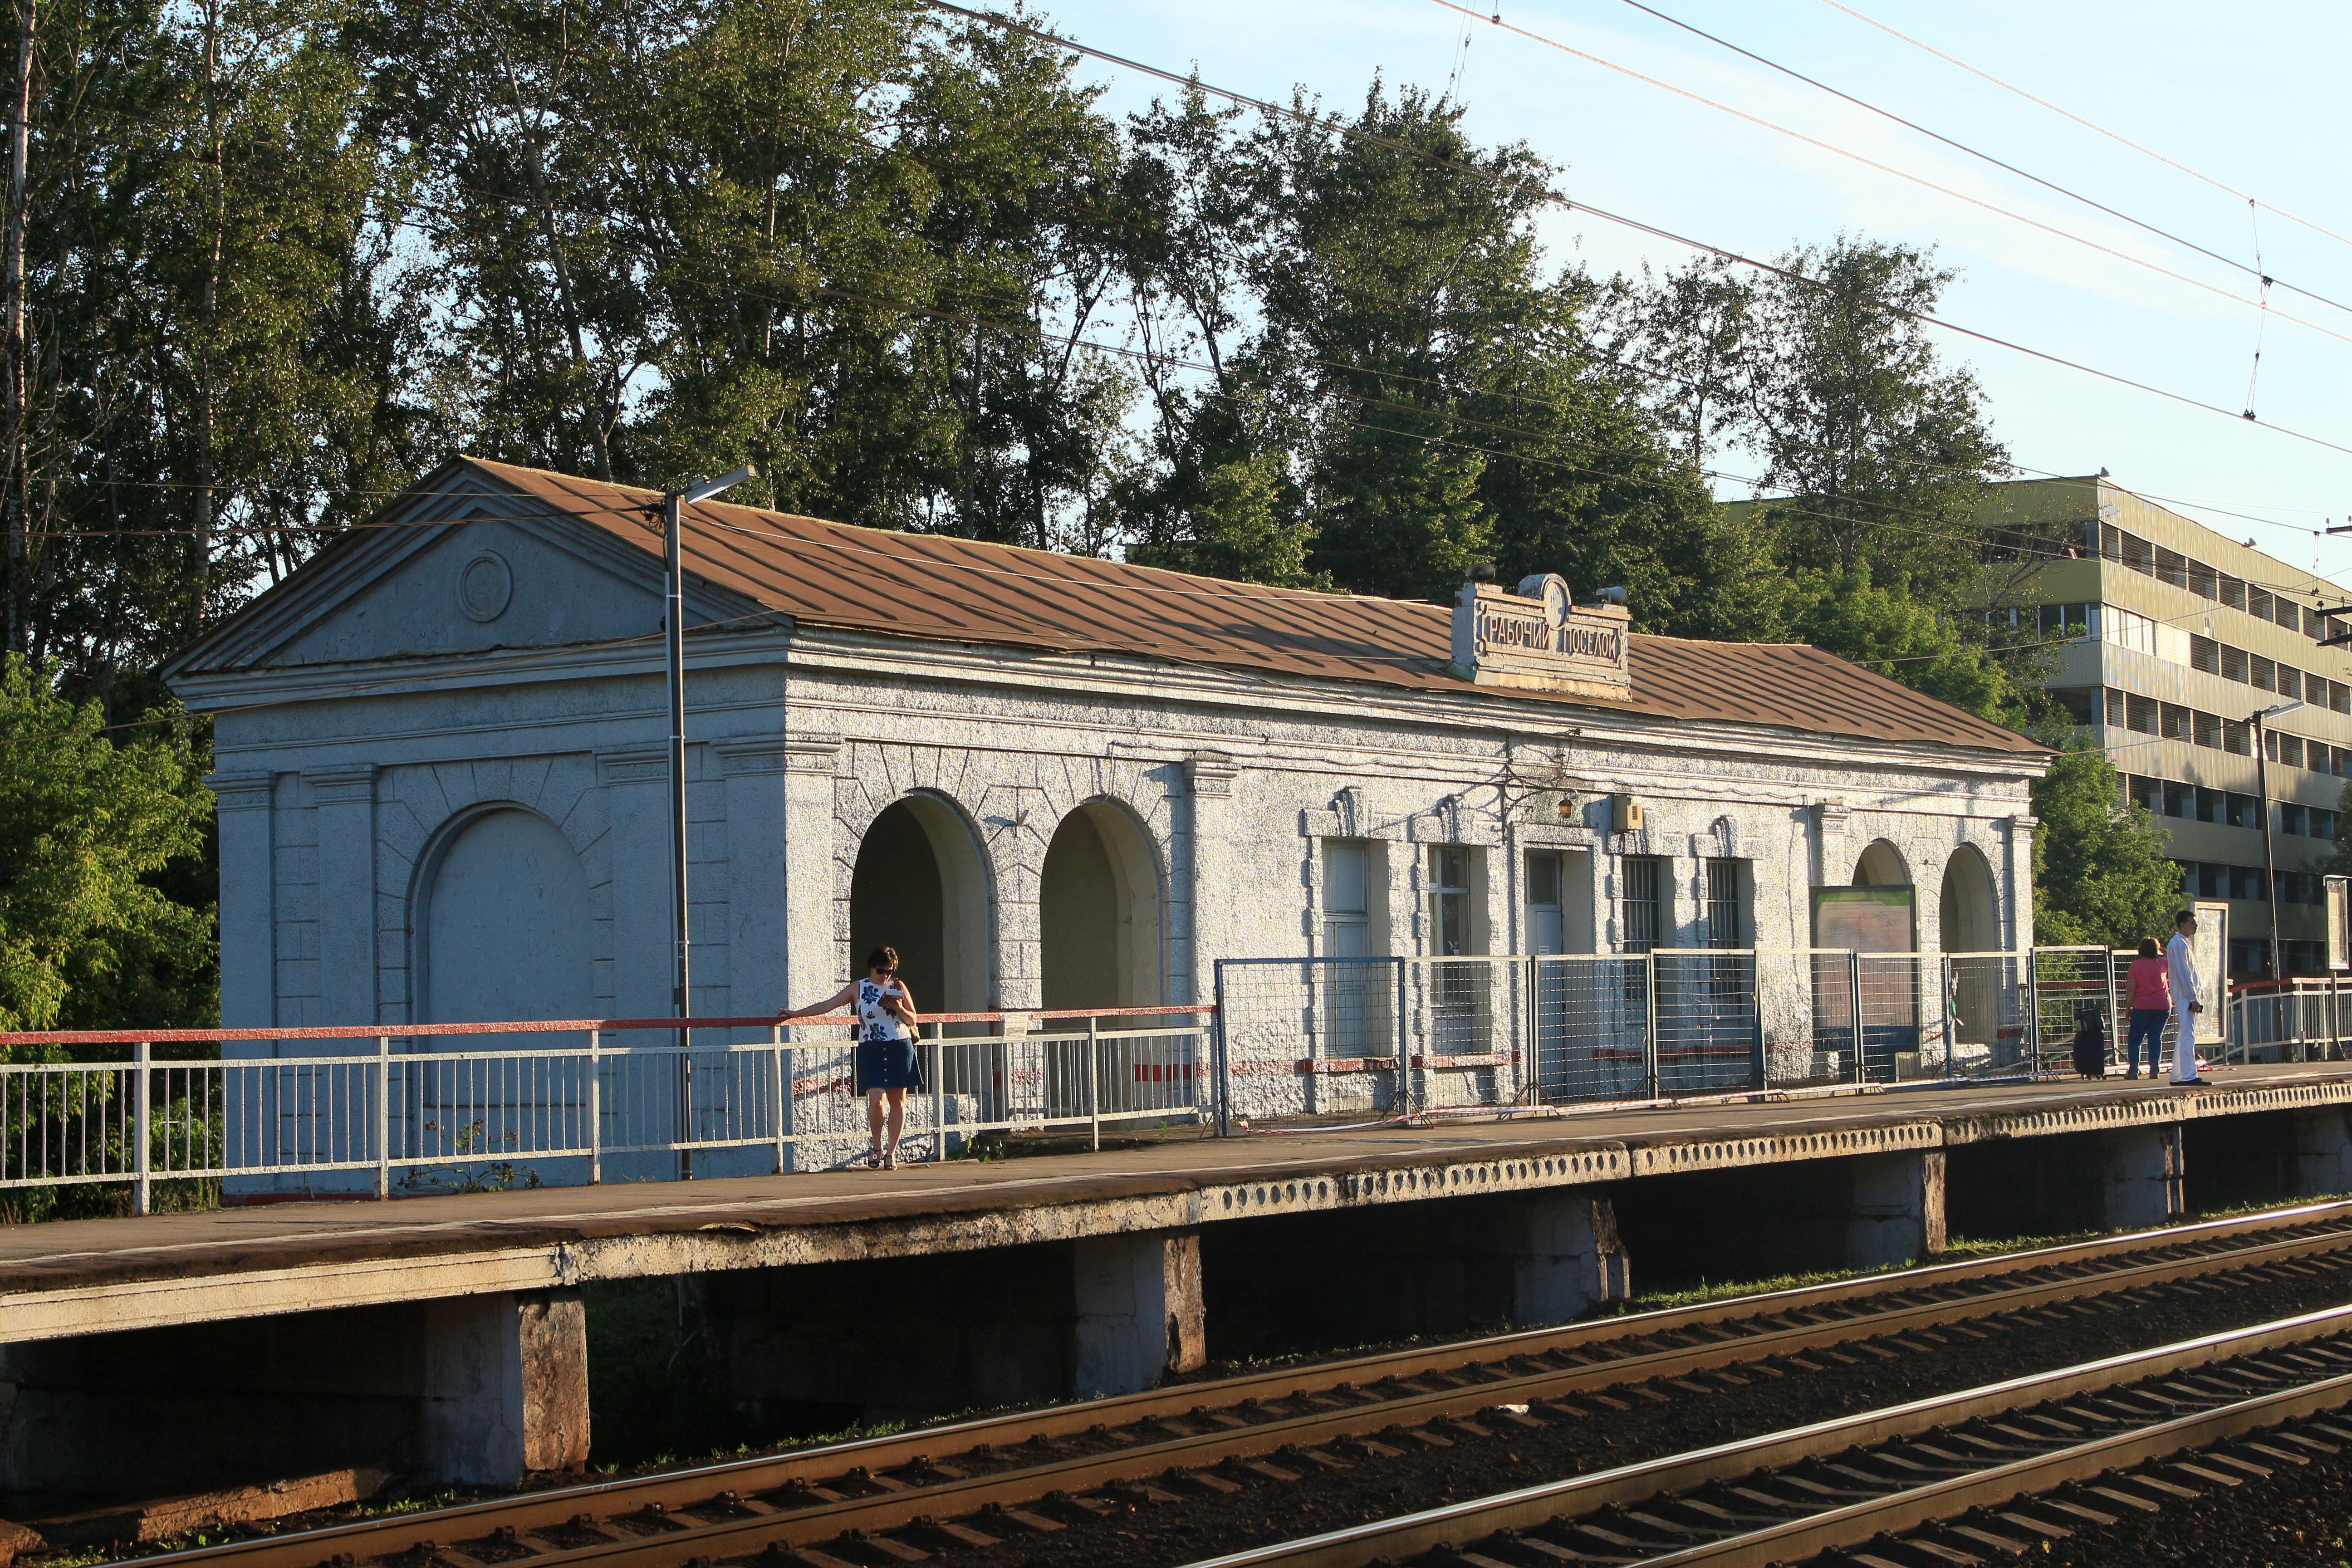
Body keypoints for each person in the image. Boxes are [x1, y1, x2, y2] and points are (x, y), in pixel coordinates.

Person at [780, 946, 923, 1168]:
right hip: (871, 1048)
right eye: (881, 970)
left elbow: (912, 1018)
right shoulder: (859, 988)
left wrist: (898, 1008)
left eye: (890, 971)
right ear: (871, 968)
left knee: (898, 1102)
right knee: (876, 1100)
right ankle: (877, 1145)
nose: (886, 975)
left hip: (899, 1046)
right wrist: (796, 1014)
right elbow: (828, 1005)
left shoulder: (898, 987)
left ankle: (891, 1153)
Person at [2165, 909, 2210, 1087]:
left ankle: (2177, 1075)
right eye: (2192, 923)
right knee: (2188, 1035)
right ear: (2183, 925)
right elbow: (2185, 973)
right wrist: (2193, 997)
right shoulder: (2179, 945)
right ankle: (2189, 1075)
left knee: (2185, 1033)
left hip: (2187, 995)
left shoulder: (2183, 943)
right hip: (2185, 996)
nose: (2195, 926)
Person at [2124, 936, 2170, 1081]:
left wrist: (2128, 1008)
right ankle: (2155, 1069)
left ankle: (2133, 1070)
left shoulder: (2136, 966)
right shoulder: (2163, 963)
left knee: (2135, 1039)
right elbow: (2174, 960)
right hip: (2163, 1005)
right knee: (2155, 1037)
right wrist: (2163, 951)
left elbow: (2131, 990)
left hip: (2142, 1006)